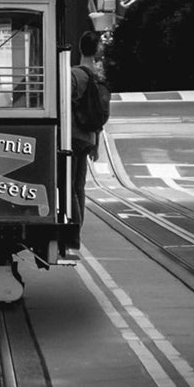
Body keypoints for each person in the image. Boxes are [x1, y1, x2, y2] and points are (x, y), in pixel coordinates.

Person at [69, 29, 111, 240]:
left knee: (69, 185)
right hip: (88, 138)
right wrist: (96, 142)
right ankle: (79, 226)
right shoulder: (98, 77)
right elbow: (98, 111)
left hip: (73, 137)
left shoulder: (74, 75)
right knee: (80, 185)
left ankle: (73, 229)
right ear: (96, 50)